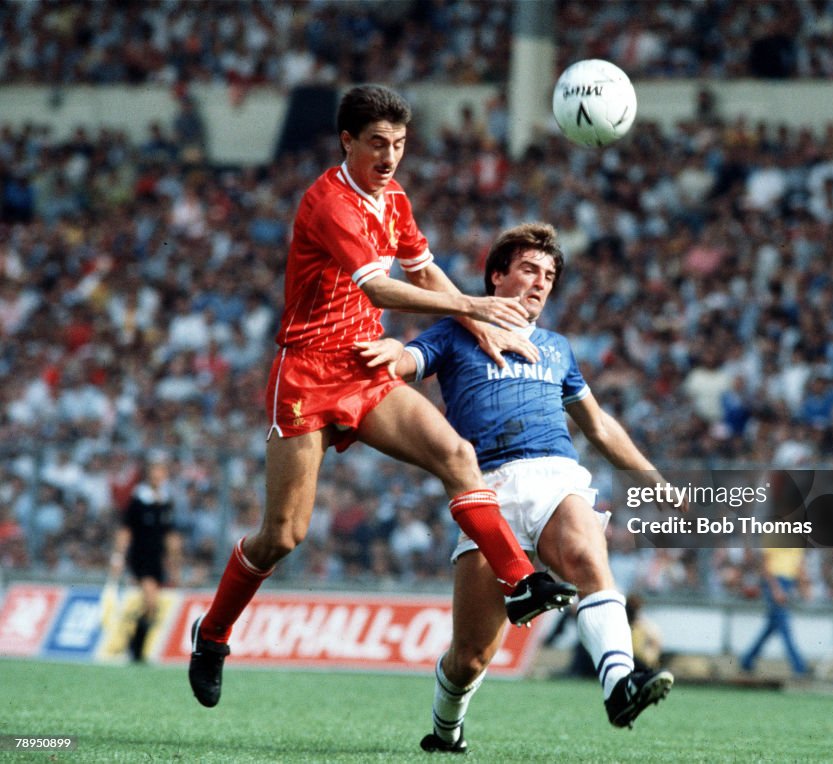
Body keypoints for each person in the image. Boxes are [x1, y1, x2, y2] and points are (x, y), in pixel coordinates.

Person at [187, 86, 575, 709]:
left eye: (398, 144)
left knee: (457, 456)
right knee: (283, 535)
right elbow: (382, 289)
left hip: (367, 366)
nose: (390, 156)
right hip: (308, 373)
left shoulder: (394, 197)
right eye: (378, 144)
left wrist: (481, 327)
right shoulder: (328, 203)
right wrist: (471, 304)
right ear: (348, 141)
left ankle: (521, 579)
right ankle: (213, 632)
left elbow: (421, 270)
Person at [358, 222, 675, 752]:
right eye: (529, 269)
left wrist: (652, 478)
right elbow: (411, 362)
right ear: (497, 275)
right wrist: (395, 353)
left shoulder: (557, 347)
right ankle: (445, 730)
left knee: (587, 558)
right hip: (484, 490)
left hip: (554, 474)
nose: (540, 282)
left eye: (549, 275)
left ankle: (620, 683)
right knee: (471, 658)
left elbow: (596, 425)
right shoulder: (457, 329)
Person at [109, 453, 182, 662]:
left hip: (157, 559)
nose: (158, 475)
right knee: (151, 602)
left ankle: (134, 644)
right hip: (141, 558)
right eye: (154, 471)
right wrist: (118, 557)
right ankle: (136, 649)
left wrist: (174, 563)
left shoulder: (166, 502)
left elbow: (169, 535)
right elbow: (125, 531)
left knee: (152, 607)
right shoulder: (138, 501)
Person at [739, 547, 809, 678]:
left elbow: (798, 566)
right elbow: (765, 566)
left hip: (788, 583)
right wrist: (776, 589)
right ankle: (799, 666)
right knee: (784, 627)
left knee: (771, 627)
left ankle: (747, 661)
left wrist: (803, 587)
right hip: (776, 582)